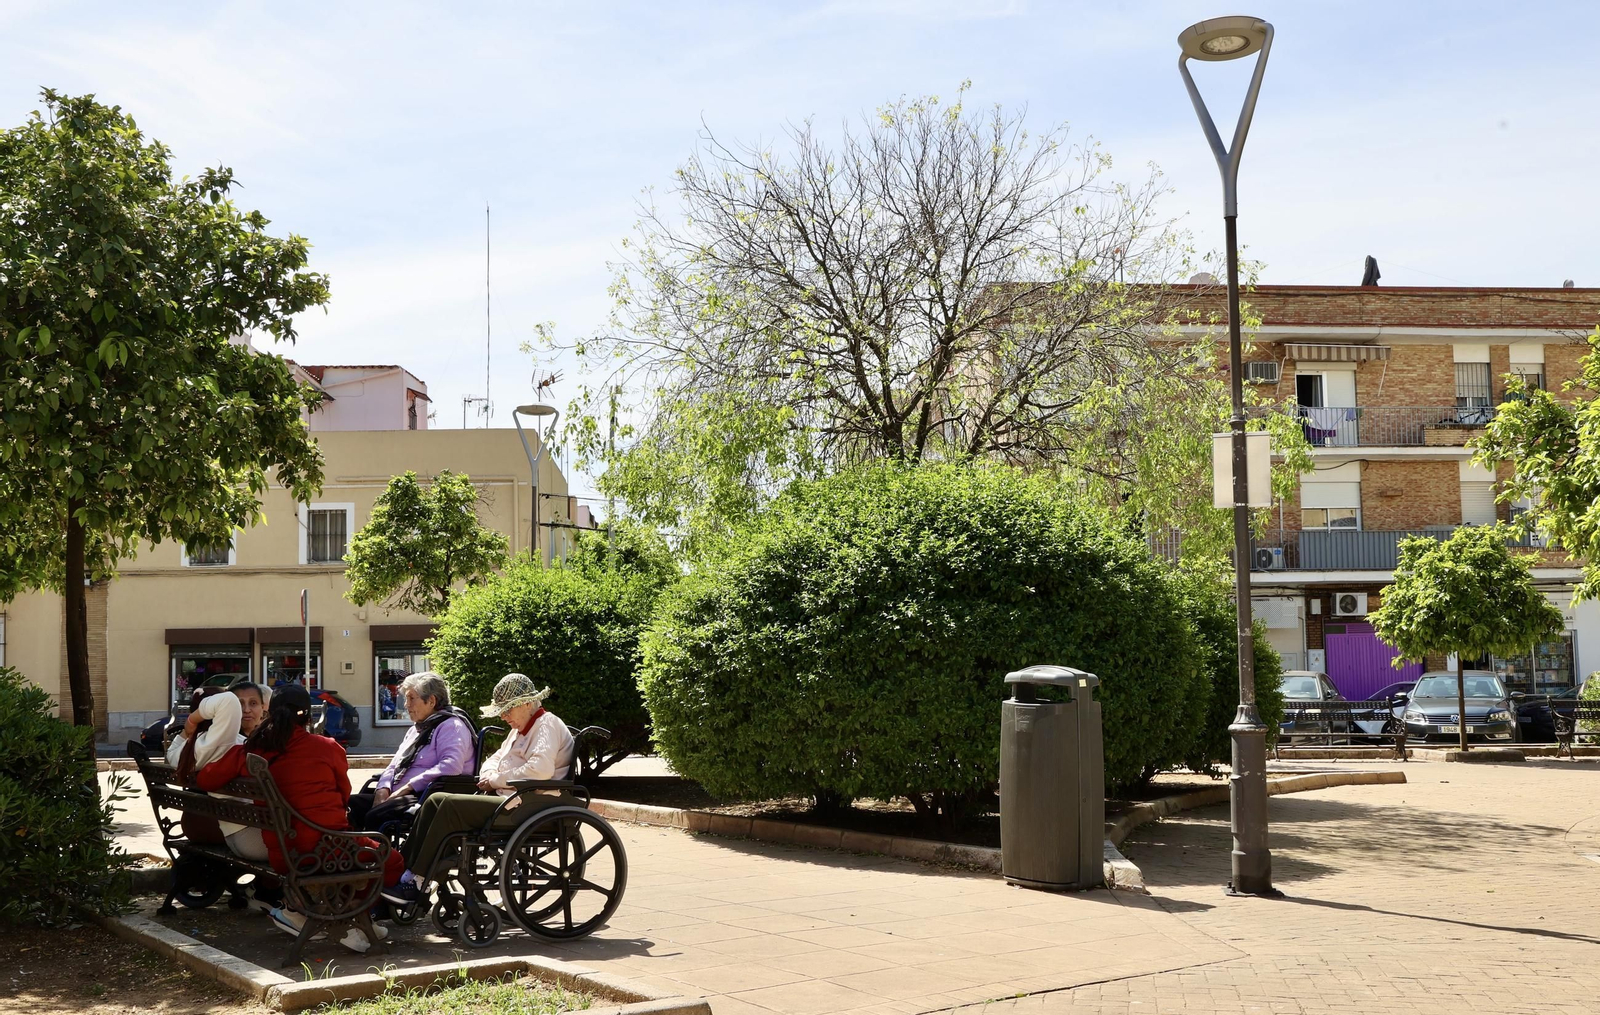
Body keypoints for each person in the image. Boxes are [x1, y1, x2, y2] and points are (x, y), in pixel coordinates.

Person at [197, 685, 402, 953]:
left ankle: (332, 914)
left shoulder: (255, 750)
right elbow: (344, 795)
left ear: (270, 713)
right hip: (327, 848)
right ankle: (343, 915)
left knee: (357, 853)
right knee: (393, 861)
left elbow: (206, 778)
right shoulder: (327, 746)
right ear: (307, 717)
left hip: (283, 851)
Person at [381, 673, 575, 908]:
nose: (504, 717)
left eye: (507, 710)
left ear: (526, 704)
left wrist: (495, 781)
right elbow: (493, 760)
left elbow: (539, 770)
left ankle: (418, 881)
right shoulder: (519, 730)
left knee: (450, 805)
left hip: (530, 805)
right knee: (435, 801)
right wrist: (489, 776)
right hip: (510, 800)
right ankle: (405, 873)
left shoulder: (547, 724)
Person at [348, 672, 475, 831]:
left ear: (431, 701)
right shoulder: (416, 729)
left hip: (425, 796)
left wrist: (408, 786)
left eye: (411, 698)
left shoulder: (451, 726)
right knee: (350, 805)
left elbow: (451, 766)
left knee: (375, 815)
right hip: (398, 793)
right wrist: (383, 789)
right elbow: (394, 765)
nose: (406, 705)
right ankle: (352, 852)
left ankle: (378, 854)